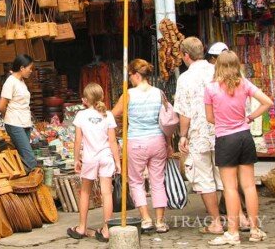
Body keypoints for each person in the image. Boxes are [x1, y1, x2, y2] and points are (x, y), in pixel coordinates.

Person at [204, 50, 272, 245]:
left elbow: (209, 118)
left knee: (230, 188)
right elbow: (266, 102)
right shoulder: (245, 84)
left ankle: (233, 233)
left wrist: (224, 120)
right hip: (244, 136)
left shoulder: (211, 89)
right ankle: (255, 229)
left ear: (217, 66)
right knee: (249, 186)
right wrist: (249, 117)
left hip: (226, 139)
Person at [112, 59, 172, 233]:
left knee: (136, 181)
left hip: (136, 142)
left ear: (136, 74)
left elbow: (114, 114)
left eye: (130, 75)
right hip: (158, 141)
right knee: (158, 181)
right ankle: (160, 222)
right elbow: (166, 121)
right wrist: (168, 144)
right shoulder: (159, 93)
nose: (129, 79)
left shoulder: (128, 94)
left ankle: (146, 219)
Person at [174, 37, 224, 234]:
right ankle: (240, 220)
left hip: (199, 134)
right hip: (222, 131)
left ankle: (216, 222)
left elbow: (184, 112)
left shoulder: (185, 78)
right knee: (226, 177)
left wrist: (182, 135)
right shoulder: (217, 71)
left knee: (204, 178)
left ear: (186, 55)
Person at [67, 83, 121, 242]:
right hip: (106, 157)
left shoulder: (81, 115)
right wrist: (117, 161)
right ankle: (106, 230)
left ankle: (82, 227)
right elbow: (113, 142)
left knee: (85, 192)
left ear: (85, 100)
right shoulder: (108, 115)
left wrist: (76, 159)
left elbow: (78, 141)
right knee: (107, 193)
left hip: (89, 158)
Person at [0, 54, 37, 174]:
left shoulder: (21, 81)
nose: (31, 71)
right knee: (30, 160)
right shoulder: (10, 82)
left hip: (24, 123)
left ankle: (18, 182)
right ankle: (19, 180)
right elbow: (0, 107)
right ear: (21, 68)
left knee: (20, 155)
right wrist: (7, 116)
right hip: (15, 123)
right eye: (29, 68)